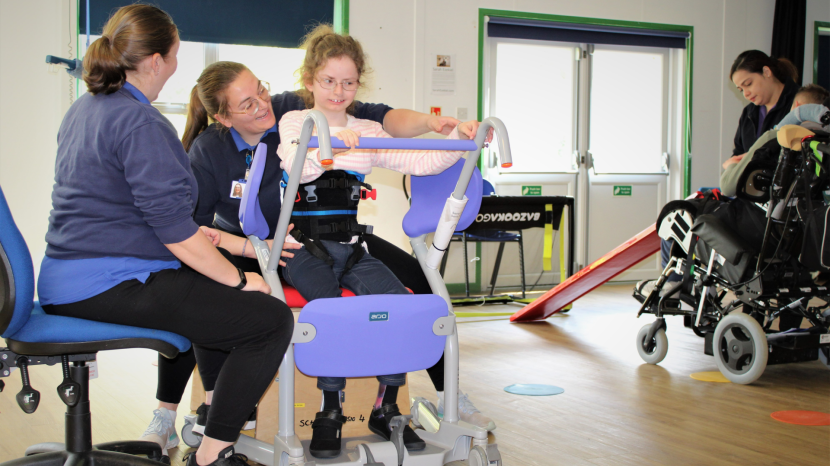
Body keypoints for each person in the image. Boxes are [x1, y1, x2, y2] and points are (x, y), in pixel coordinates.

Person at [140, 59, 496, 449]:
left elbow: (382, 118)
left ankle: (448, 393)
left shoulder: (293, 110)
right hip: (246, 242)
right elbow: (194, 225)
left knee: (420, 284)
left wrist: (435, 123)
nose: (262, 105)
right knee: (196, 289)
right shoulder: (210, 149)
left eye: (261, 89)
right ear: (224, 118)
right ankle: (168, 413)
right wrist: (236, 253)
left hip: (325, 235)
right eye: (246, 105)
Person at [35, 6, 293, 466]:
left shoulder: (86, 107)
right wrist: (239, 278)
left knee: (214, 304)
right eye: (176, 52)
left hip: (67, 277)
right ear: (158, 61)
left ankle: (210, 413)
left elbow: (147, 218)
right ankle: (213, 453)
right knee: (270, 320)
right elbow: (176, 232)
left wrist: (234, 252)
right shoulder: (141, 122)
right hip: (110, 282)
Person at [276, 24, 483, 458]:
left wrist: (459, 140)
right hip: (302, 251)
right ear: (310, 80)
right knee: (331, 314)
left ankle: (385, 407)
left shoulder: (367, 128)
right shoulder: (298, 121)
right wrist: (329, 143)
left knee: (402, 310)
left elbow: (421, 162)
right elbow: (300, 162)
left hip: (352, 249)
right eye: (329, 81)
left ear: (359, 83)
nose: (338, 91)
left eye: (348, 82)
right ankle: (330, 411)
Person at [722, 50, 800, 169]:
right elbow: (739, 152)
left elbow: (800, 155)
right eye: (741, 90)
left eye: (748, 84)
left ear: (766, 72)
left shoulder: (800, 103)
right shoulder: (748, 113)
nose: (746, 94)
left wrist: (751, 159)